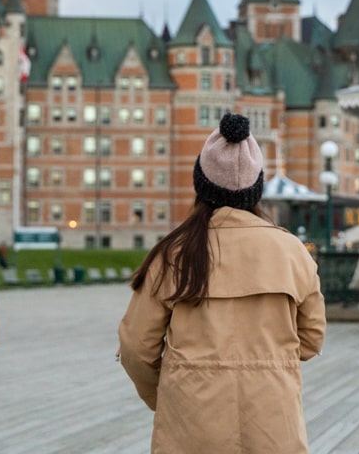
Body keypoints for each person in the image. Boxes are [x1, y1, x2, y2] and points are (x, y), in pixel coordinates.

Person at [118, 114, 326, 453]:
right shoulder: (291, 250)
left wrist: (169, 393)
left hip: (191, 425)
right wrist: (271, 363)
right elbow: (312, 338)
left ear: (201, 184)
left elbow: (136, 348)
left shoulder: (173, 254)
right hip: (273, 422)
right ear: (256, 188)